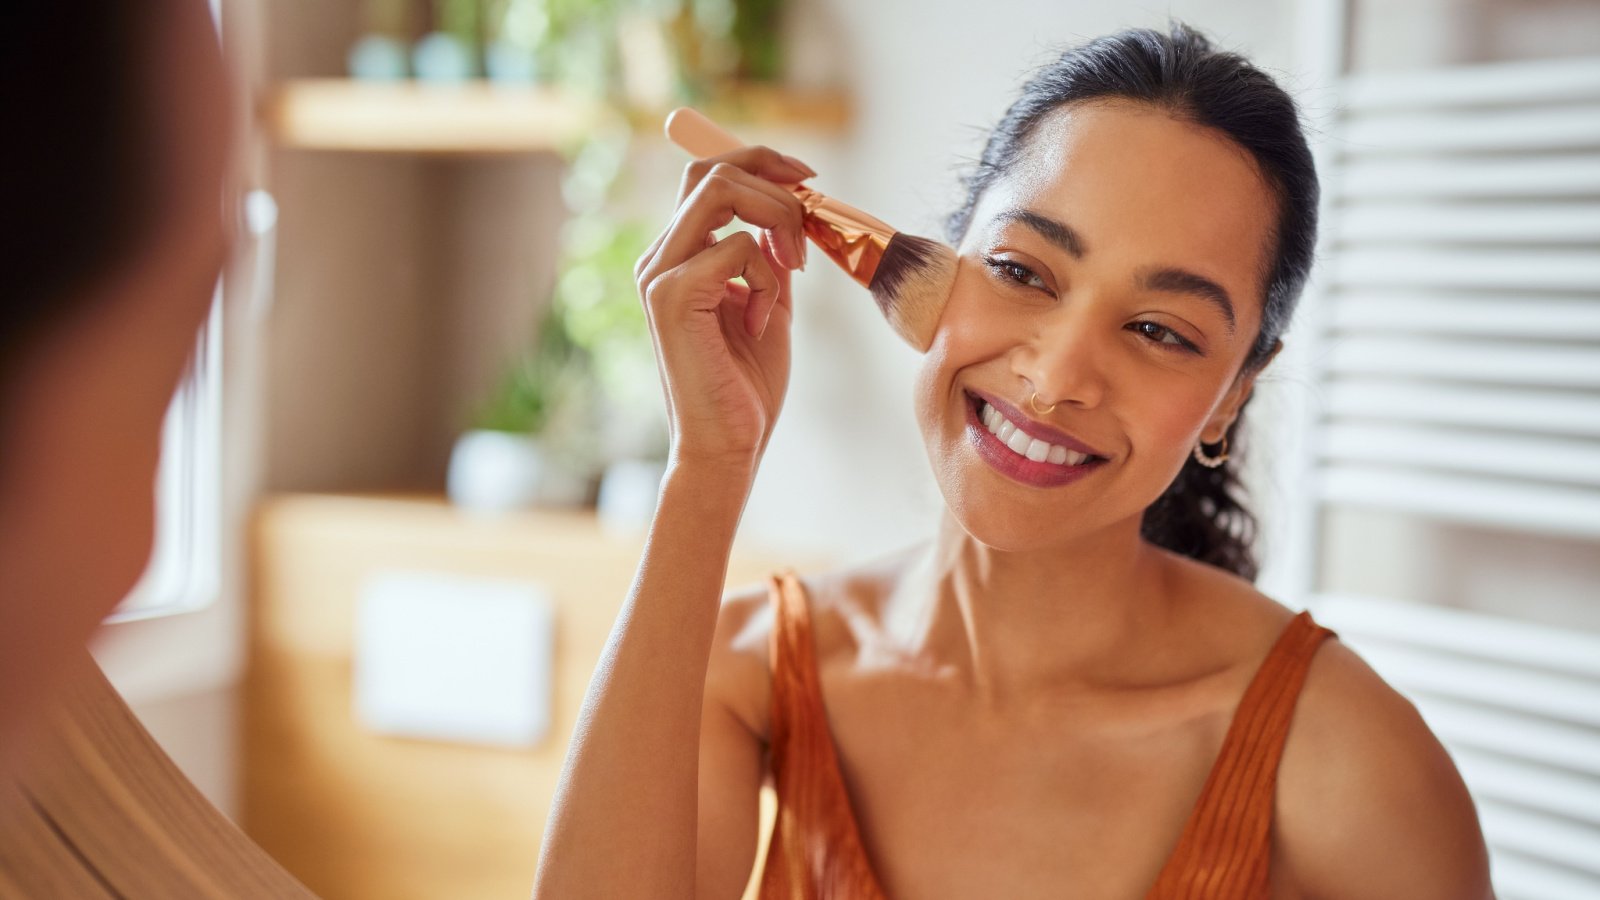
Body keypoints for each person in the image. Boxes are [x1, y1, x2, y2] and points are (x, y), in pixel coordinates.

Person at [533, 23, 1495, 899]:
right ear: (943, 266)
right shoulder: (744, 672)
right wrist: (708, 466)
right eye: (1022, 271)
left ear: (1233, 394)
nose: (1056, 377)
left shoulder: (1351, 764)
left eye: (1159, 329)